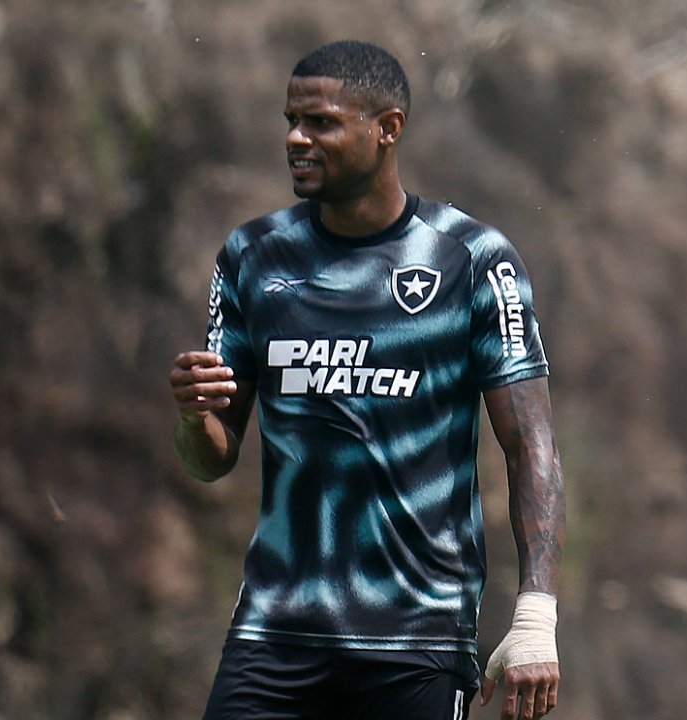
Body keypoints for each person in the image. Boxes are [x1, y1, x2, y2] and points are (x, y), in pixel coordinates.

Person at [168, 40, 565, 720]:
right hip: (275, 631)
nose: (297, 138)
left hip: (417, 636)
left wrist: (535, 617)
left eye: (320, 122)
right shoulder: (253, 256)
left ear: (388, 129)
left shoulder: (471, 258)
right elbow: (212, 458)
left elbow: (531, 446)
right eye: (291, 120)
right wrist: (192, 416)